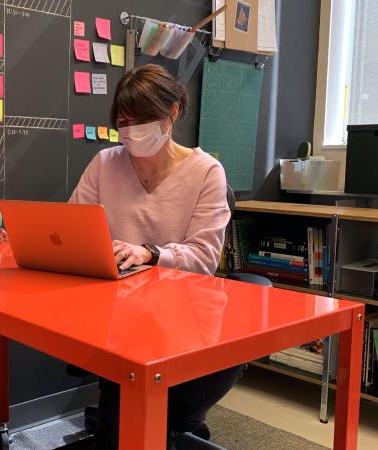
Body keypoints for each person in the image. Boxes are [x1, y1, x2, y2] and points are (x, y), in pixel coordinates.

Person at [69, 63, 245, 449]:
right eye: (124, 121)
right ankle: (146, 426)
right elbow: (75, 229)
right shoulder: (105, 164)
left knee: (130, 420)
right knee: (122, 418)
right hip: (118, 308)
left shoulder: (205, 172)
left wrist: (150, 254)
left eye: (143, 119)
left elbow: (203, 257)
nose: (132, 130)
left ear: (173, 113)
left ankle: (160, 424)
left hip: (183, 309)